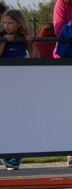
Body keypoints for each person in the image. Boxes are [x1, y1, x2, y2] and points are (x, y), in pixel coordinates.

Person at [1, 9, 40, 171]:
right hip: (5, 83)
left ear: (19, 23)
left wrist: (30, 42)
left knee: (20, 116)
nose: (6, 25)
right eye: (4, 23)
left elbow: (36, 57)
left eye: (10, 23)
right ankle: (8, 155)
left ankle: (16, 155)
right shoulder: (2, 37)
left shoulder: (23, 39)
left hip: (20, 84)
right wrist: (3, 40)